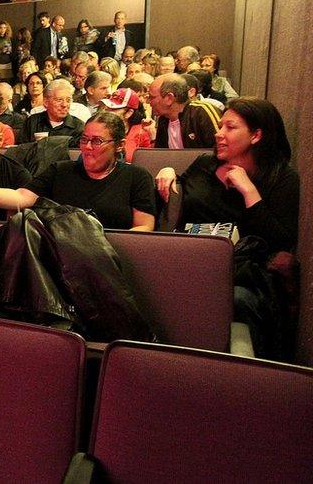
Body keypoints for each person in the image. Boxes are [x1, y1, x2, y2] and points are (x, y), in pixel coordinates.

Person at [156, 98, 299, 355]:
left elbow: (280, 240)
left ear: (256, 135)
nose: (218, 134)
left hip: (242, 273)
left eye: (229, 128)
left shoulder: (281, 177)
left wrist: (249, 191)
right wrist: (168, 170)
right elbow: (179, 192)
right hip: (188, 261)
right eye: (220, 126)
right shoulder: (204, 164)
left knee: (236, 300)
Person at [0, 112, 156, 231]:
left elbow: (144, 229)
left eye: (97, 141)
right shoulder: (61, 171)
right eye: (84, 139)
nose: (87, 147)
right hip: (63, 257)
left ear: (119, 145)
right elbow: (21, 197)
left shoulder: (136, 177)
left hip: (113, 257)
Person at [148, 73, 220, 149]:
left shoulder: (202, 112)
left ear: (169, 98)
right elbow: (160, 156)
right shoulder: (163, 120)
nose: (148, 102)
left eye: (152, 97)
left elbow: (220, 148)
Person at [101, 87, 151, 163]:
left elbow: (149, 162)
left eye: (113, 109)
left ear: (129, 113)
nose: (106, 112)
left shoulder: (142, 132)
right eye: (107, 108)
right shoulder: (97, 129)